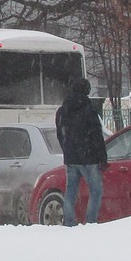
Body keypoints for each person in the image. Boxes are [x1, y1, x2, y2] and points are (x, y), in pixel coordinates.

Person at [54, 77, 108, 226]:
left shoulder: (62, 111)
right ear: (87, 91)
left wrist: (67, 149)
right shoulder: (89, 110)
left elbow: (60, 134)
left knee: (71, 190)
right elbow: (97, 135)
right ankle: (90, 221)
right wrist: (102, 158)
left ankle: (69, 221)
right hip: (89, 158)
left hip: (71, 158)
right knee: (96, 190)